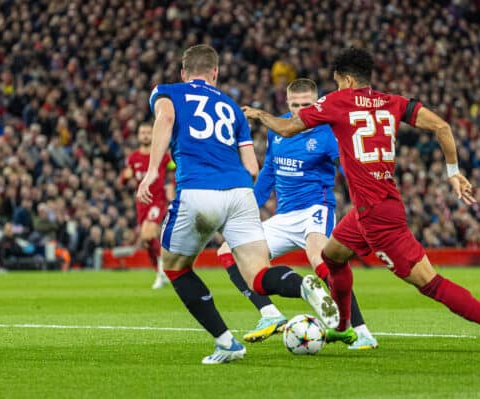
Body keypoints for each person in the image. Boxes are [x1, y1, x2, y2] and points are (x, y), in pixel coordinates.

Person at [242, 47, 480, 359]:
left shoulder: (337, 101)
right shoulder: (393, 102)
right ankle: (344, 325)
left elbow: (286, 127)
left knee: (430, 283)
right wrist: (454, 173)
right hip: (368, 210)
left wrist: (260, 116)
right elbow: (442, 127)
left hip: (379, 218)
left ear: (348, 80)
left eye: (338, 82)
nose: (336, 88)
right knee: (333, 257)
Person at [136, 44, 339, 365]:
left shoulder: (167, 91)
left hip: (197, 189)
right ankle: (302, 286)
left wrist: (151, 173)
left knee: (175, 268)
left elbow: (165, 118)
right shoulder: (231, 106)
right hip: (240, 192)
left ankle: (226, 342)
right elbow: (253, 167)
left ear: (183, 73)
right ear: (215, 73)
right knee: (257, 274)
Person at [217, 78, 377, 349]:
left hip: (316, 208)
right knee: (228, 251)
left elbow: (349, 170)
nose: (301, 111)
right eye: (296, 105)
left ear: (316, 103)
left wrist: (364, 202)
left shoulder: (328, 133)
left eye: (307, 104)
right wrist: (248, 208)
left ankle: (360, 331)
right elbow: (269, 170)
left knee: (320, 258)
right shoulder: (277, 129)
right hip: (285, 216)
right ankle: (270, 314)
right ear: (287, 103)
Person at [121, 122, 175, 289]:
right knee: (146, 241)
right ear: (138, 136)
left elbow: (174, 171)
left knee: (148, 235)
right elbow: (124, 180)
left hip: (157, 200)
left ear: (153, 135)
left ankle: (163, 272)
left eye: (148, 132)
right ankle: (160, 272)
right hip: (142, 202)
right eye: (142, 132)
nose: (145, 135)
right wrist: (125, 177)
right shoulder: (133, 158)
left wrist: (170, 189)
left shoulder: (162, 156)